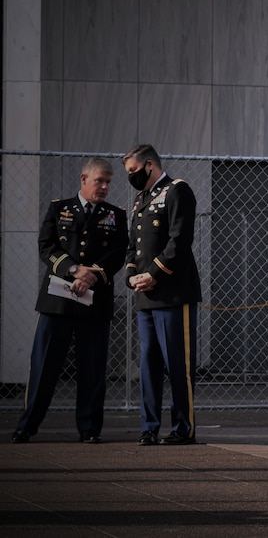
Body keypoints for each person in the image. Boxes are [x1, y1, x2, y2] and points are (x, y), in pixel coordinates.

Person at [11, 157, 128, 444]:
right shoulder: (59, 208)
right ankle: (28, 425)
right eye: (99, 180)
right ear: (83, 179)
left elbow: (117, 254)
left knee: (92, 368)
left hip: (94, 302)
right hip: (58, 302)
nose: (104, 187)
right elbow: (46, 247)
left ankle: (89, 428)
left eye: (108, 182)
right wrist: (74, 270)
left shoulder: (116, 214)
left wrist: (91, 277)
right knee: (44, 365)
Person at [122, 144, 201, 446]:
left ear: (150, 165)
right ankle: (149, 426)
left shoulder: (177, 190)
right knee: (149, 364)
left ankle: (183, 427)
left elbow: (180, 240)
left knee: (178, 366)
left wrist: (154, 274)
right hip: (146, 295)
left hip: (172, 293)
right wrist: (132, 277)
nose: (131, 178)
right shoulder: (141, 199)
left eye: (133, 172)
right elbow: (133, 247)